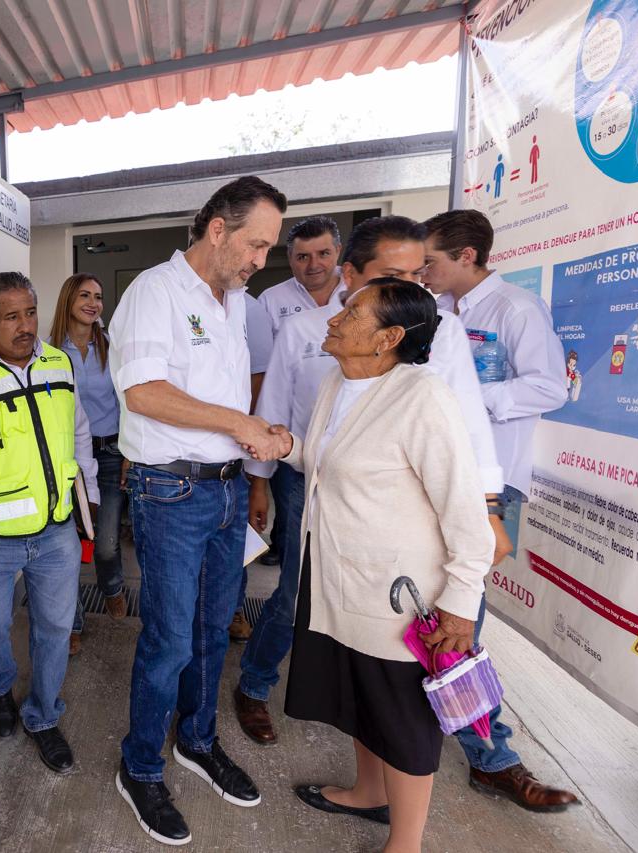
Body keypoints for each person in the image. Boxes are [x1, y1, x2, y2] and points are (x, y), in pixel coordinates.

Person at [236, 215, 506, 746]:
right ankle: (257, 683)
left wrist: (487, 506)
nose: (411, 286)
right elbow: (284, 419)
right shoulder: (315, 339)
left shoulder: (434, 341)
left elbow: (463, 426)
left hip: (399, 499)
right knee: (301, 594)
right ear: (352, 272)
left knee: (418, 623)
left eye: (417, 273)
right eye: (392, 274)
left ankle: (481, 745)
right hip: (311, 482)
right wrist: (262, 477)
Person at [276, 278, 495, 853]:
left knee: (402, 722)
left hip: (397, 599)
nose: (334, 319)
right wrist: (284, 446)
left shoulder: (422, 398)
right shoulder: (337, 381)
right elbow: (329, 461)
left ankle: (407, 843)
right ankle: (368, 791)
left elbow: (467, 517)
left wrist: (462, 603)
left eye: (352, 313)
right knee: (359, 700)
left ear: (389, 337)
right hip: (336, 583)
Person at [109, 176, 291, 846]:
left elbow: (221, 395)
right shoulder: (156, 293)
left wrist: (252, 450)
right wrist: (241, 422)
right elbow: (147, 392)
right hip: (170, 491)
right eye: (255, 243)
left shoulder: (234, 301)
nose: (259, 259)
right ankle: (140, 767)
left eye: (268, 247)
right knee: (170, 639)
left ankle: (196, 739)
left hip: (223, 488)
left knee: (215, 630)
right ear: (218, 228)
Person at [423, 208, 578, 812]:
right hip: (438, 481)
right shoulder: (442, 314)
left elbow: (549, 386)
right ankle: (429, 735)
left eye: (431, 259)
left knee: (462, 621)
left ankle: (494, 757)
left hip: (490, 487)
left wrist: (465, 398)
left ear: (466, 256)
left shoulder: (514, 309)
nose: (424, 270)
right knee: (428, 616)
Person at [0, 271, 99, 775]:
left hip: (56, 528)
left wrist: (90, 493)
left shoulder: (58, 362)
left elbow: (78, 431)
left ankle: (43, 715)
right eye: (11, 316)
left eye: (31, 313)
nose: (24, 326)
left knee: (55, 628)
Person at [254, 216, 347, 569]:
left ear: (338, 252)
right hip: (295, 447)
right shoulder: (271, 301)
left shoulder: (358, 298)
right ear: (290, 258)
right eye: (302, 257)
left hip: (348, 449)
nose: (314, 264)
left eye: (323, 253)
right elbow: (266, 379)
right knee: (297, 551)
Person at [49, 273, 129, 654]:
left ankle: (111, 586)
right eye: (85, 295)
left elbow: (128, 402)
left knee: (106, 543)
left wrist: (130, 451)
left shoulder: (112, 346)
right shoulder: (49, 351)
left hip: (111, 453)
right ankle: (73, 622)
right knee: (68, 544)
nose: (93, 303)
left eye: (98, 296)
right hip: (68, 459)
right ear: (68, 300)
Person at [227, 290, 277, 643]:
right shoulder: (170, 298)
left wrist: (250, 436)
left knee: (236, 540)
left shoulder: (251, 309)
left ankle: (233, 608)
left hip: (239, 447)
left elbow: (259, 380)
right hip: (190, 455)